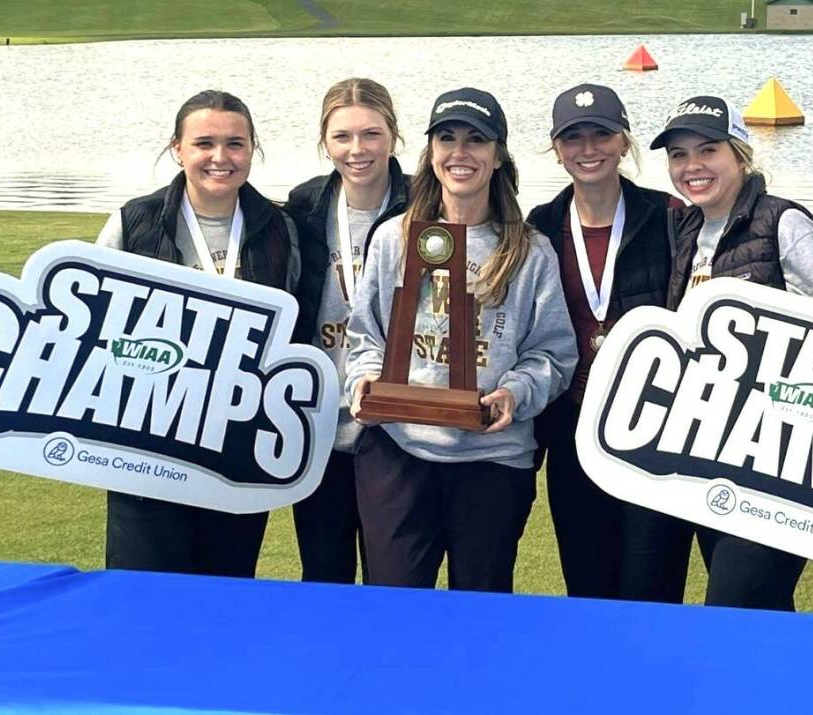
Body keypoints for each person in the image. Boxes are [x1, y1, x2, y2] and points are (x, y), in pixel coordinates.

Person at [345, 87, 578, 593]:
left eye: (477, 140)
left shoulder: (530, 251)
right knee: (394, 607)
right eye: (446, 138)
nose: (460, 152)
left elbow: (554, 354)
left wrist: (515, 392)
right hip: (399, 448)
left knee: (481, 607)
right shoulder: (394, 237)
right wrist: (364, 381)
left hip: (491, 460)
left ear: (498, 157)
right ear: (430, 153)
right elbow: (365, 336)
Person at [652, 95, 813, 610]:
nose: (692, 166)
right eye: (678, 154)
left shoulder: (784, 224)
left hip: (781, 463)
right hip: (710, 454)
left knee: (735, 602)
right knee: (762, 614)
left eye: (708, 150)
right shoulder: (688, 232)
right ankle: (787, 691)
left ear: (740, 155)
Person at [96, 89, 300, 577]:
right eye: (204, 143)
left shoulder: (280, 229)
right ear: (177, 148)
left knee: (222, 596)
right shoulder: (133, 223)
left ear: (253, 149)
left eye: (235, 143)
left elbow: (291, 337)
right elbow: (97, 336)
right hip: (146, 445)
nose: (220, 158)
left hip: (237, 447)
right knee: (143, 595)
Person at [527, 83, 693, 602]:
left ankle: (654, 683)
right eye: (573, 137)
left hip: (654, 433)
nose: (589, 148)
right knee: (587, 584)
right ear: (557, 149)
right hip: (573, 431)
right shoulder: (539, 226)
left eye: (602, 134)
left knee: (654, 587)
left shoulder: (669, 216)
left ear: (624, 142)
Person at [285, 78, 410, 584]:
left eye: (371, 134)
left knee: (392, 576)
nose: (357, 150)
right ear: (324, 141)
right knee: (323, 573)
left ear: (393, 137)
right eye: (342, 137)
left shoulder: (424, 203)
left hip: (396, 428)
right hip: (317, 424)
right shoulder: (305, 205)